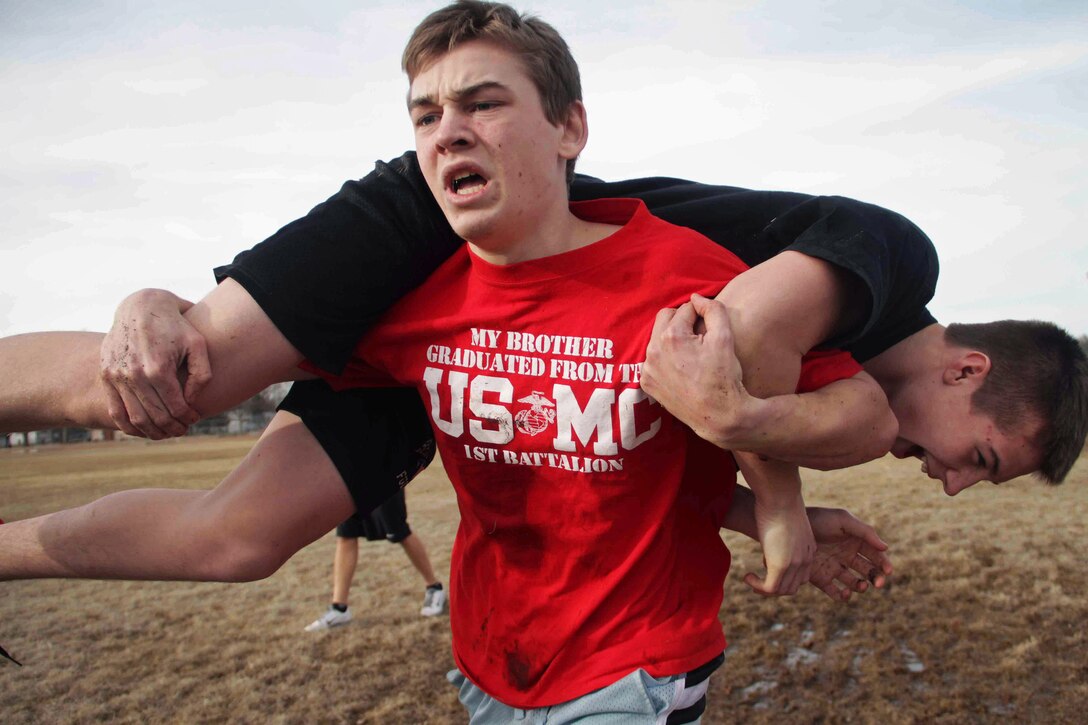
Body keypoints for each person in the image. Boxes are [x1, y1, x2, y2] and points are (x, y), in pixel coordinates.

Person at [0, 3, 896, 720]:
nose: (448, 131)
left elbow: (864, 410)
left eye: (483, 103)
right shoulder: (412, 308)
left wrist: (756, 438)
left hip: (639, 674)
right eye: (427, 115)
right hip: (489, 667)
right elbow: (215, 356)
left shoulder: (683, 275)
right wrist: (150, 301)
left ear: (569, 128)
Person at [305, 489, 446, 633]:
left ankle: (434, 587)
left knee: (399, 531)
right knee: (346, 535)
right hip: (349, 478)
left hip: (383, 476)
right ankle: (339, 607)